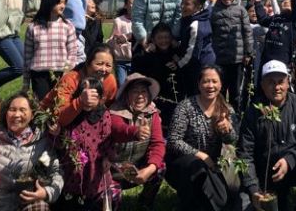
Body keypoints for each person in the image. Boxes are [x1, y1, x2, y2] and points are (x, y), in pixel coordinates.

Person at [238, 60, 296, 211]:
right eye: (271, 82)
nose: (277, 87)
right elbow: (244, 153)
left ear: (288, 82)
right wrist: (253, 188)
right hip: (266, 176)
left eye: (281, 81)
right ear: (262, 85)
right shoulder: (252, 112)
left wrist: (290, 160)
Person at [55, 77, 149, 210]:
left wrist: (107, 157)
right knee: (71, 202)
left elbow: (108, 139)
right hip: (73, 170)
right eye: (85, 93)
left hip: (96, 170)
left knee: (94, 201)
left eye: (94, 95)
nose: (89, 100)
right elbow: (60, 140)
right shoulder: (72, 114)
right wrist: (56, 132)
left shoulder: (103, 115)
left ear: (100, 98)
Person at [166, 65, 238, 211]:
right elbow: (173, 141)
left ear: (221, 84)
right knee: (197, 166)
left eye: (214, 81)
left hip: (216, 164)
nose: (210, 86)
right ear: (199, 84)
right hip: (184, 164)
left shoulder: (227, 109)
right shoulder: (185, 107)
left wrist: (226, 130)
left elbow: (233, 140)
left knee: (224, 195)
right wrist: (201, 155)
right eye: (205, 81)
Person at [109, 73, 165, 211]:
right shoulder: (114, 112)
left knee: (160, 167)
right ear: (127, 94)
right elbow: (117, 129)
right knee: (111, 198)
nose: (140, 96)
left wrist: (150, 168)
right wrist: (135, 131)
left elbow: (157, 143)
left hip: (137, 168)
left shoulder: (152, 114)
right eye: (135, 91)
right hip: (111, 170)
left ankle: (145, 205)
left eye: (143, 91)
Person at [41, 44, 118, 128]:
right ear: (87, 63)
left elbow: (110, 108)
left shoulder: (110, 81)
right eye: (99, 64)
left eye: (108, 65)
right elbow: (59, 118)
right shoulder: (70, 80)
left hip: (83, 127)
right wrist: (81, 101)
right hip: (49, 124)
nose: (103, 69)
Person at [22, 0, 77, 101]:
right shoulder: (33, 27)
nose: (62, 6)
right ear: (48, 3)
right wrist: (26, 83)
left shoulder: (68, 26)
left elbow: (72, 53)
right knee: (41, 109)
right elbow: (27, 56)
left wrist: (66, 72)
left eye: (64, 3)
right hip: (39, 74)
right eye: (59, 2)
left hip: (60, 74)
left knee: (59, 107)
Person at [211, 0, 253, 111]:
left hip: (237, 58)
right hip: (219, 58)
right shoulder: (213, 11)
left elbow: (247, 32)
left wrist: (248, 53)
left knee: (235, 92)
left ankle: (236, 117)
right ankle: (219, 116)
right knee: (220, 89)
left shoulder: (241, 10)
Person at [132, 22, 184, 128]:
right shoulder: (148, 53)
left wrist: (177, 64)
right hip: (154, 98)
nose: (164, 41)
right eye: (160, 38)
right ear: (153, 39)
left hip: (173, 97)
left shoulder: (176, 53)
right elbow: (136, 66)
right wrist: (146, 52)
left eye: (167, 37)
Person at [175, 0, 216, 96]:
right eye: (182, 2)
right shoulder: (190, 19)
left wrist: (178, 64)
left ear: (198, 7)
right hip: (194, 64)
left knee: (198, 96)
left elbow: (193, 53)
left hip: (200, 66)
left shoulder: (196, 25)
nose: (182, 6)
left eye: (187, 4)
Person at [108, 0, 135, 88]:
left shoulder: (141, 21)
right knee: (122, 85)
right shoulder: (118, 21)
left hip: (135, 60)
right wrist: (114, 40)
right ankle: (121, 102)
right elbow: (111, 39)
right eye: (131, 3)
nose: (134, 5)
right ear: (125, 5)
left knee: (134, 85)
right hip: (121, 60)